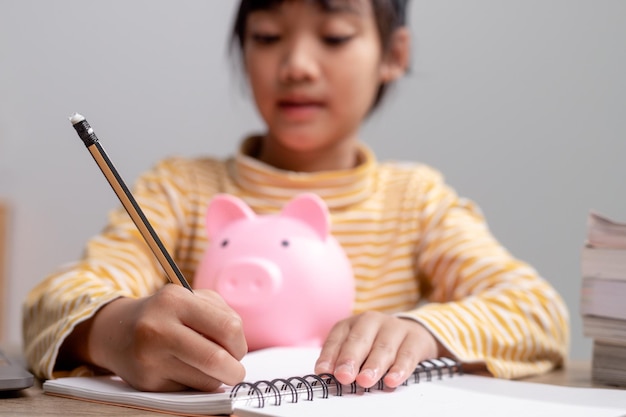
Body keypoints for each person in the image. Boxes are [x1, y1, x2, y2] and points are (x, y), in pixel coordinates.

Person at [23, 0, 569, 393]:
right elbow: (50, 303)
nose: (297, 66)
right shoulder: (180, 190)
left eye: (333, 36)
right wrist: (117, 332)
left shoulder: (416, 201)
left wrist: (423, 331)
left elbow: (539, 313)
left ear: (393, 54)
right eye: (266, 36)